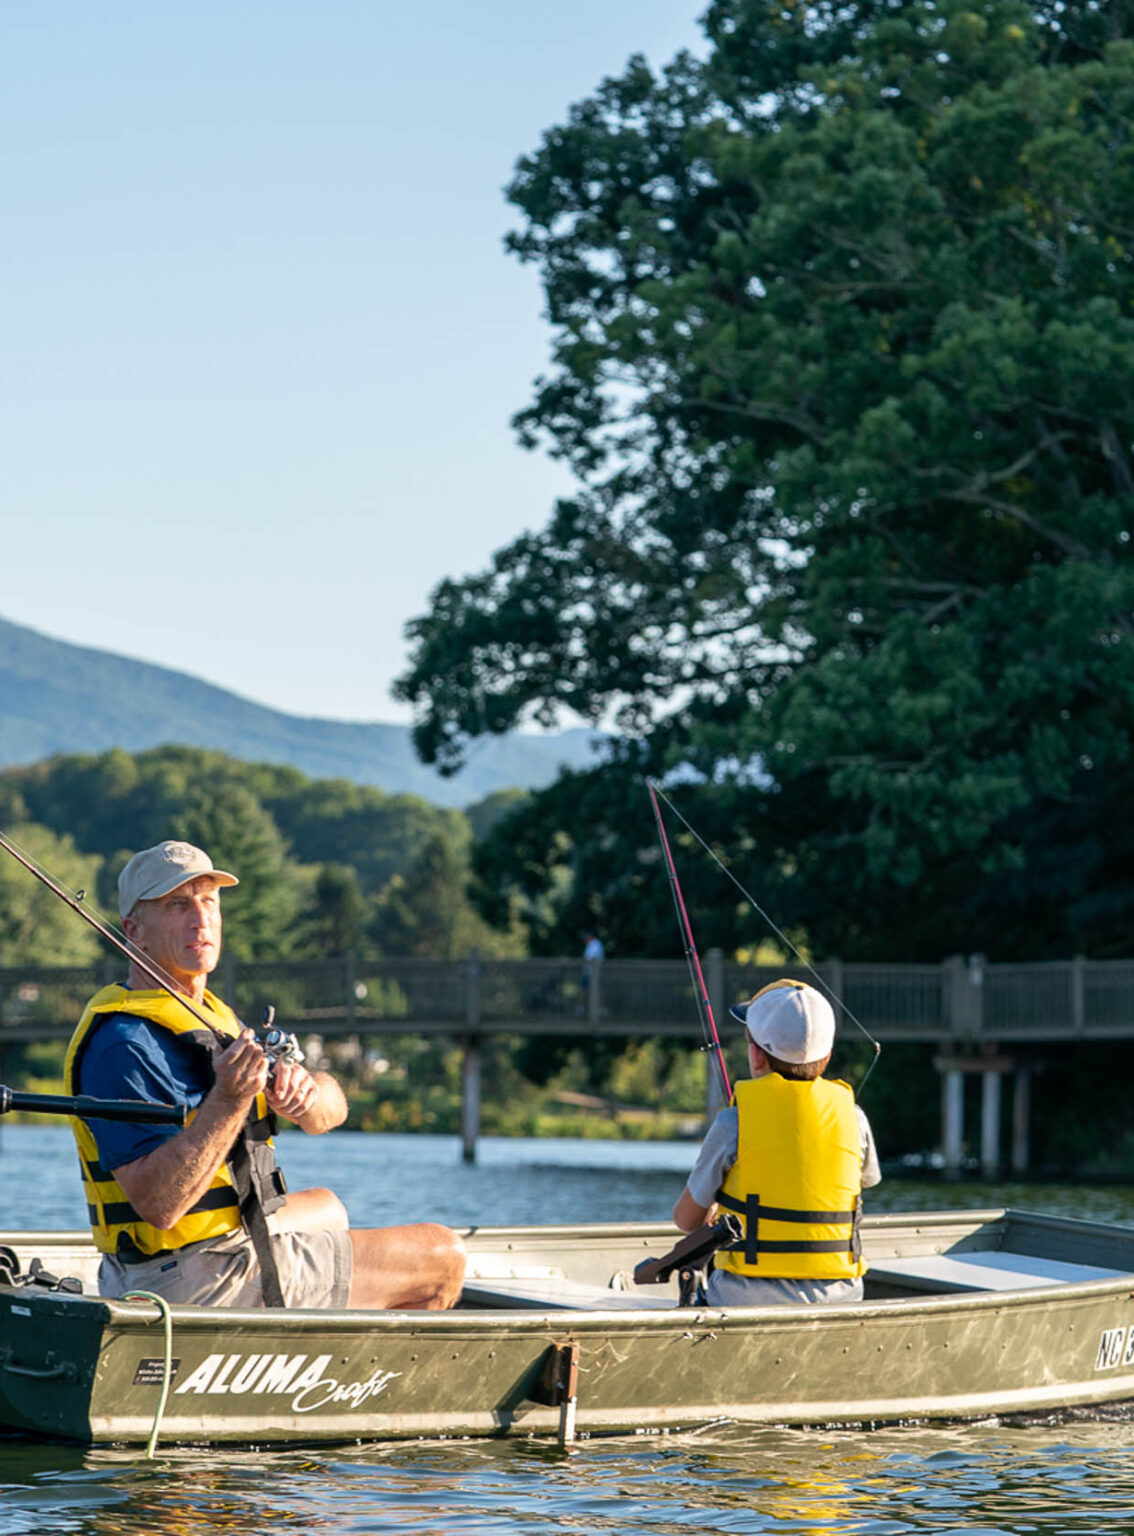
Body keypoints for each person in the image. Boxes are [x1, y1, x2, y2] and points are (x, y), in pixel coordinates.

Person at [63, 840, 466, 1311]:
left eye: (208, 900)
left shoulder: (212, 1017)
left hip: (222, 1240)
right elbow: (160, 1205)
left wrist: (305, 1094)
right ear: (134, 930)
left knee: (329, 1207)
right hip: (189, 1278)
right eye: (177, 905)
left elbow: (329, 1115)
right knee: (443, 1256)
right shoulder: (124, 1045)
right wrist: (231, 1099)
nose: (200, 918)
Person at [672, 978, 881, 1306]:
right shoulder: (854, 1118)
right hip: (842, 1300)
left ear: (756, 1056)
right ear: (827, 1054)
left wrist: (717, 1205)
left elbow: (686, 1221)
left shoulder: (732, 1124)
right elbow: (863, 1181)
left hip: (744, 1298)